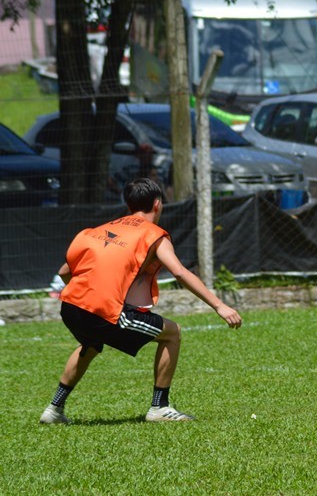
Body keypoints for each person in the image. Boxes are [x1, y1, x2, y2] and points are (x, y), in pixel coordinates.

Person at [39, 178, 242, 424]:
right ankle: (159, 407)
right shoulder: (154, 235)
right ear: (157, 204)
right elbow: (179, 272)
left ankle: (53, 410)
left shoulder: (98, 230)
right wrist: (219, 305)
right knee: (172, 333)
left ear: (128, 204)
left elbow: (64, 273)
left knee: (90, 345)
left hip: (70, 307)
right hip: (102, 310)